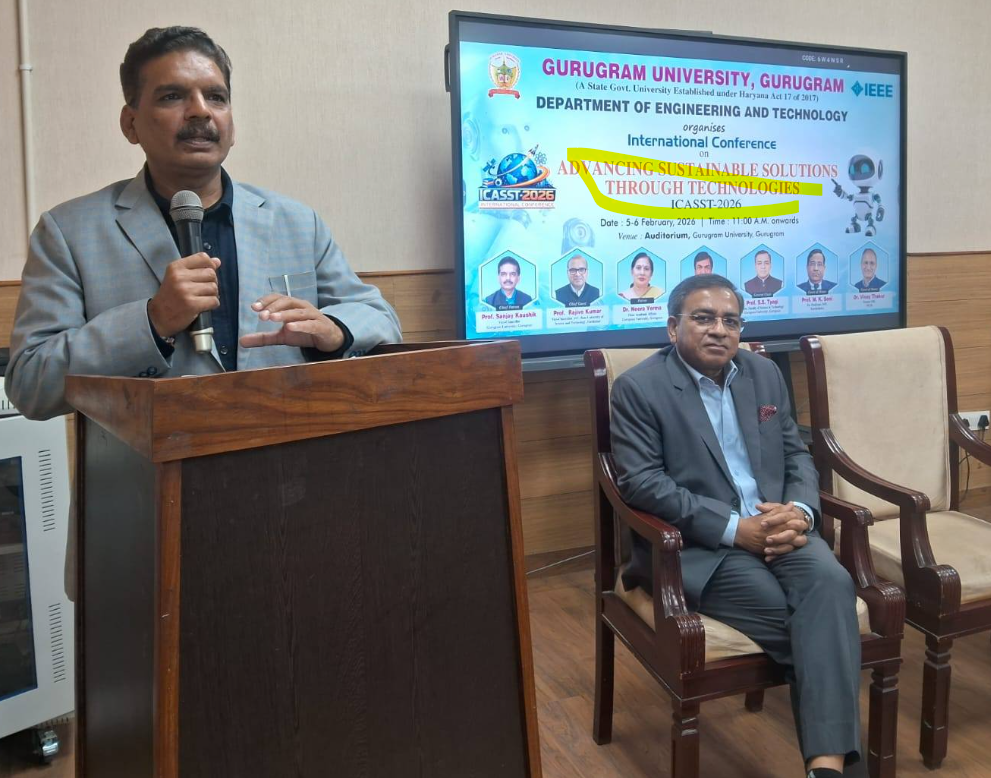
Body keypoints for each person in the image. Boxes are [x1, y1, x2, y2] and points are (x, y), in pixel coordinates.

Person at [5, 26, 401, 422]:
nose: (200, 111)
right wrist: (153, 321)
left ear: (232, 123)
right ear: (130, 124)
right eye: (172, 96)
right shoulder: (69, 232)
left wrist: (333, 331)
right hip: (152, 459)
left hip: (286, 450)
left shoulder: (296, 221)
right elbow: (30, 383)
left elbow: (379, 317)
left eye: (216, 97)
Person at [611, 274, 861, 778]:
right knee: (814, 625)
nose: (719, 330)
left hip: (780, 526)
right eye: (703, 318)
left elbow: (795, 453)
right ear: (672, 327)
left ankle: (825, 768)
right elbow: (642, 484)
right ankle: (835, 769)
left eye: (731, 321)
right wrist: (733, 528)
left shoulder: (763, 374)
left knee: (833, 583)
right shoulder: (638, 388)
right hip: (700, 547)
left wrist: (801, 511)